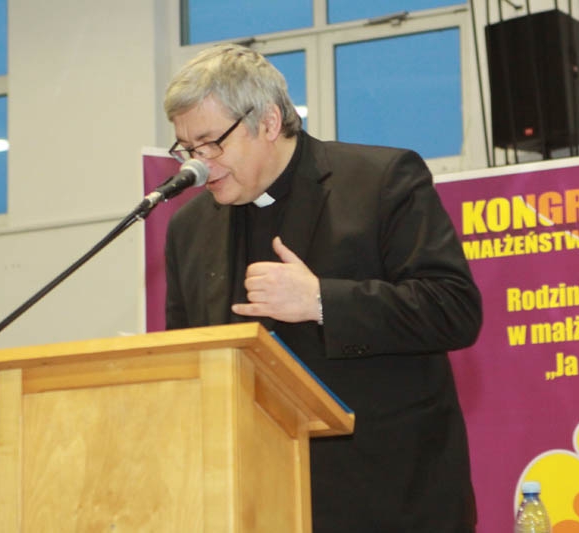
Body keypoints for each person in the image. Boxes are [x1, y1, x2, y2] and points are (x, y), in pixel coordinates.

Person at [162, 43, 482, 532]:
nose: (199, 164)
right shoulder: (189, 228)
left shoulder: (380, 181)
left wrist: (321, 302)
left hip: (391, 500)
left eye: (211, 144)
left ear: (268, 122)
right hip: (256, 505)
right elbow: (188, 361)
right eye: (187, 149)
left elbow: (453, 308)